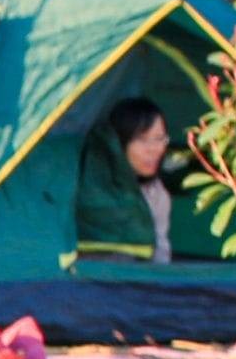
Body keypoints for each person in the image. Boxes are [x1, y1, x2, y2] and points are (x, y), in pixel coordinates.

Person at [76, 97, 182, 264]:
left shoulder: (157, 194)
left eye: (160, 139)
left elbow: (160, 254)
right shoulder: (87, 184)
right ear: (119, 142)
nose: (153, 149)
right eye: (142, 139)